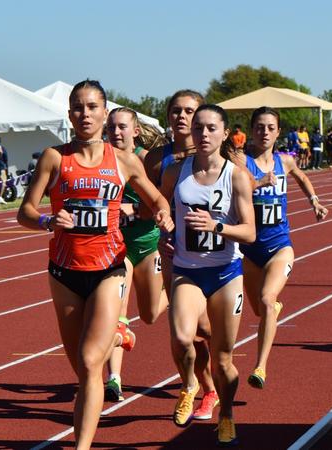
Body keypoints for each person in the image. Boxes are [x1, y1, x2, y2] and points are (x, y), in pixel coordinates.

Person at [17, 80, 173, 450]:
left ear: (104, 112)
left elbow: (157, 201)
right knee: (83, 370)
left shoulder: (123, 161)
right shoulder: (55, 158)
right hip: (64, 273)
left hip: (110, 268)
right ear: (69, 114)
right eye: (77, 107)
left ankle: (81, 446)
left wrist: (164, 216)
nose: (84, 114)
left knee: (90, 363)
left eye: (91, 107)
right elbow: (25, 210)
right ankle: (117, 337)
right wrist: (46, 221)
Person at [160, 104, 255, 446]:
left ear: (225, 133)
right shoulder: (175, 171)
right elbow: (159, 209)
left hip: (226, 272)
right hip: (187, 270)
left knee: (223, 357)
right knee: (183, 336)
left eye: (211, 128)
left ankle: (226, 413)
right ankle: (189, 385)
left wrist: (217, 226)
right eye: (198, 128)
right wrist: (164, 229)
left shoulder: (237, 176)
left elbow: (249, 233)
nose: (203, 134)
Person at [235, 107, 328, 391]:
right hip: (249, 249)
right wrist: (259, 182)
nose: (264, 132)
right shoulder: (240, 160)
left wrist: (314, 200)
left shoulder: (284, 161)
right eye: (259, 127)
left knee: (266, 300)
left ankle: (260, 366)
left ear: (278, 132)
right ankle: (273, 309)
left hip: (279, 246)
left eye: (270, 127)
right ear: (252, 130)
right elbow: (233, 185)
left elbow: (301, 176)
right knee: (260, 311)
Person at [143, 89, 220, 422]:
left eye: (189, 111)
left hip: (214, 252)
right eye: (176, 110)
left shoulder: (215, 153)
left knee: (206, 328)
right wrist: (159, 222)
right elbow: (152, 203)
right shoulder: (157, 158)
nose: (182, 117)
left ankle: (216, 379)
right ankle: (200, 387)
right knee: (182, 329)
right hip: (175, 252)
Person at [103, 107, 169, 402]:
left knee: (151, 314)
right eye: (112, 127)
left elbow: (160, 202)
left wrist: (135, 210)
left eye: (122, 127)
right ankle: (114, 378)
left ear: (135, 131)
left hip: (148, 244)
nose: (116, 133)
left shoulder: (146, 161)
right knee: (116, 316)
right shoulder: (101, 161)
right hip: (117, 247)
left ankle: (176, 290)